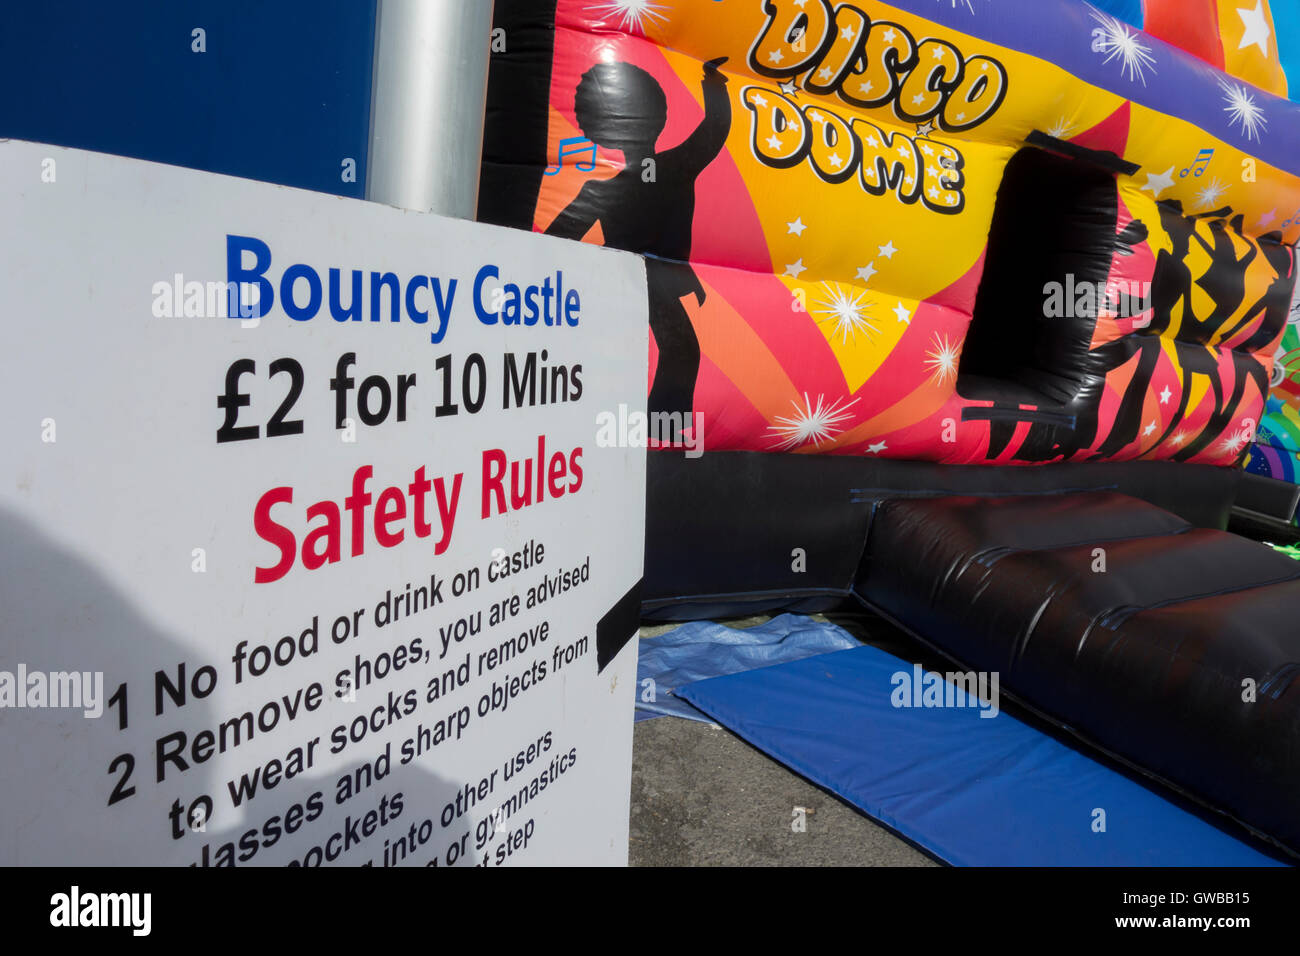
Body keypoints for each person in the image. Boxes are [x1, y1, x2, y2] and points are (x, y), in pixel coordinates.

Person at [545, 57, 732, 429]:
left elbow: (713, 132)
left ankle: (654, 431)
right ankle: (652, 431)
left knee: (678, 351)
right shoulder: (655, 173)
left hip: (644, 284)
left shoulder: (667, 169)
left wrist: (714, 83)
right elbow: (556, 239)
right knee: (677, 351)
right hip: (632, 284)